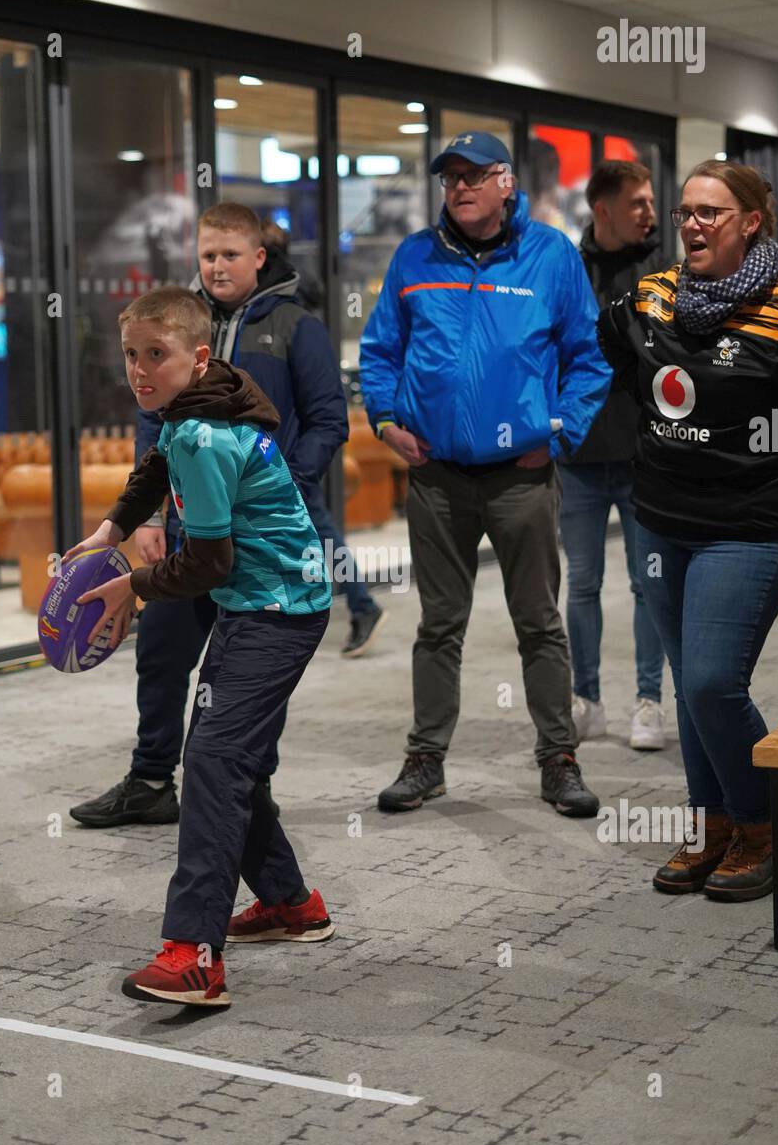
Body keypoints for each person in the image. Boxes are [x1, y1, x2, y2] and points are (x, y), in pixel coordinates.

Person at [65, 287, 335, 1007]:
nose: (140, 370)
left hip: (278, 609)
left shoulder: (211, 436)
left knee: (212, 760)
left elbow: (208, 562)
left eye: (157, 354)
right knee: (227, 761)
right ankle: (289, 904)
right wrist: (112, 532)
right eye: (130, 355)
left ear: (200, 357)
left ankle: (193, 955)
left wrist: (136, 587)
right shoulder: (191, 412)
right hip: (254, 604)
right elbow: (154, 467)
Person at [359, 131, 611, 817]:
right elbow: (381, 349)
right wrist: (384, 421)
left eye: (475, 175)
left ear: (506, 183)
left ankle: (558, 757)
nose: (460, 187)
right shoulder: (416, 256)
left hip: (521, 476)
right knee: (439, 624)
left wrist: (557, 434)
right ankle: (426, 760)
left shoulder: (550, 255)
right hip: (437, 475)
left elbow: (588, 359)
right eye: (450, 178)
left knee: (538, 621)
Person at [598, 160, 778, 901]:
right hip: (661, 523)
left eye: (711, 212)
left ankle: (763, 821)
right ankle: (711, 824)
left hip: (751, 526)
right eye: (684, 213)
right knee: (687, 687)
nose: (693, 225)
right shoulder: (650, 295)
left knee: (713, 680)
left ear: (751, 222)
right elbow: (615, 358)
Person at [194, 203, 386, 659]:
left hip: (277, 473)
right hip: (211, 493)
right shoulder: (191, 320)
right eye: (209, 255)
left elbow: (327, 416)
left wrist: (289, 478)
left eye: (231, 254)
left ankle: (358, 603)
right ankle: (359, 603)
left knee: (316, 532)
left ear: (261, 256)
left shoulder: (293, 317)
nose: (218, 266)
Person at [560, 160, 667, 751]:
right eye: (638, 203)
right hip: (577, 459)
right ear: (603, 210)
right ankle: (589, 700)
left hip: (643, 458)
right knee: (582, 584)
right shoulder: (567, 270)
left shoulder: (663, 270)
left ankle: (649, 702)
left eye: (651, 202)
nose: (650, 213)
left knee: (648, 585)